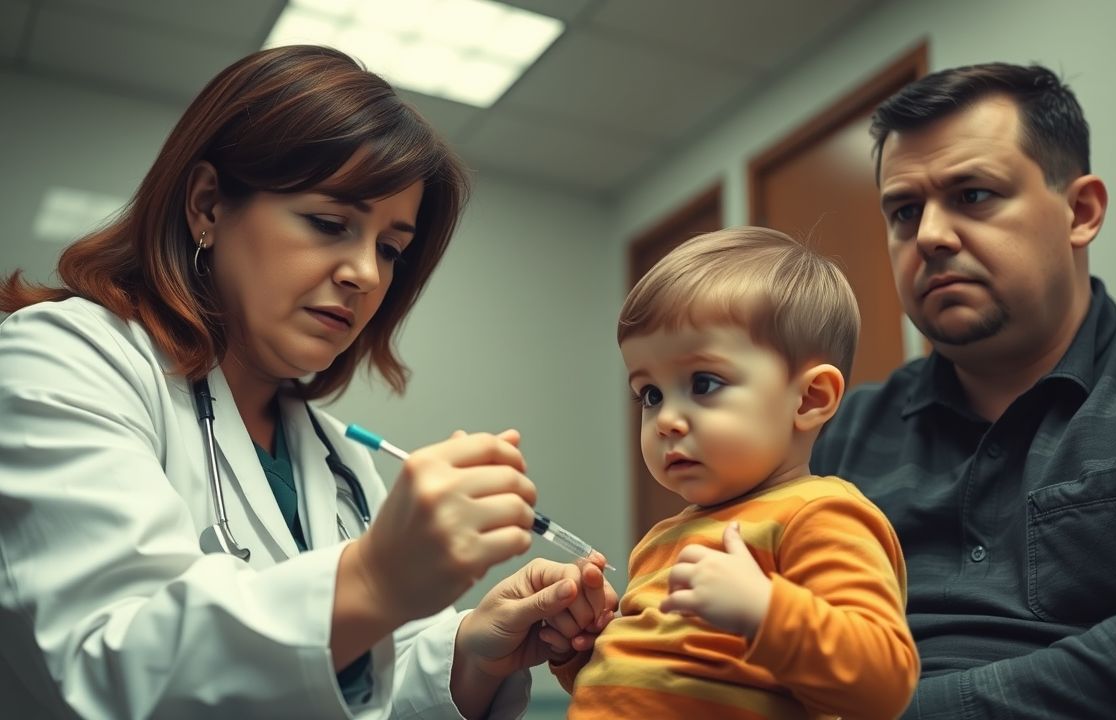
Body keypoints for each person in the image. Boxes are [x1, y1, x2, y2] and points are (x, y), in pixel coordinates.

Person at [0, 45, 614, 719]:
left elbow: (364, 694)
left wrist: (473, 652)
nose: (367, 275)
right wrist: (374, 578)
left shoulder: (340, 458)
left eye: (390, 248)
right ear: (207, 205)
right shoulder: (64, 360)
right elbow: (103, 669)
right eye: (329, 223)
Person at [810, 62, 1116, 717]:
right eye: (904, 211)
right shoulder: (838, 432)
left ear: (1080, 211)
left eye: (973, 195)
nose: (930, 236)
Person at [547, 227, 920, 719]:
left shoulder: (822, 516)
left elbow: (884, 685)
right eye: (650, 394)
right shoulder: (660, 540)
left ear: (810, 399)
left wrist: (765, 612)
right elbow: (656, 682)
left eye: (704, 383)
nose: (667, 420)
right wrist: (581, 650)